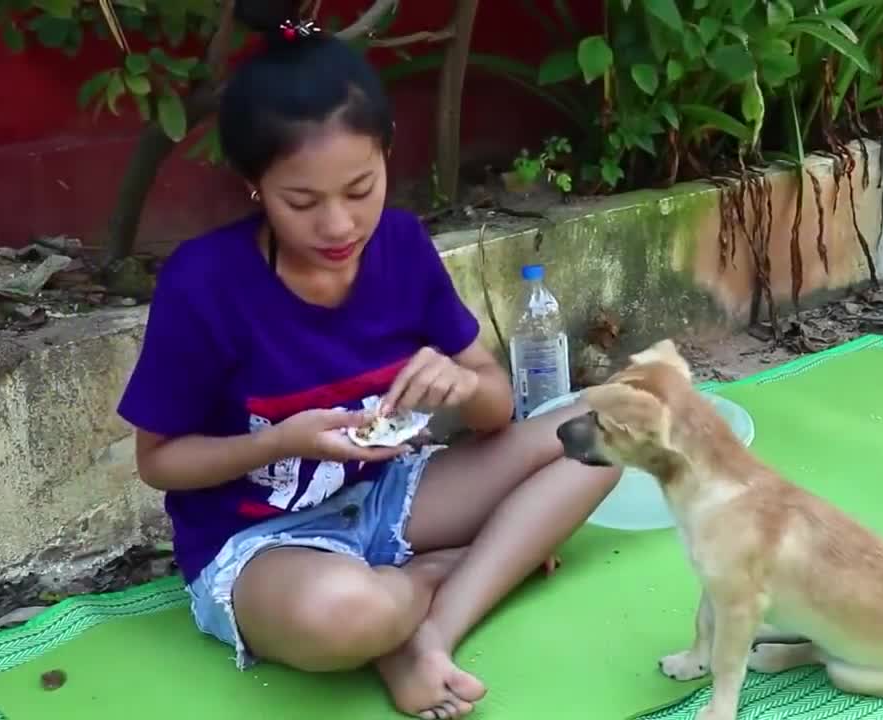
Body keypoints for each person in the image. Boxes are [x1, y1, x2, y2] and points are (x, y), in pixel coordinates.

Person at [114, 4, 620, 719]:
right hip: (260, 542)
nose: (339, 225)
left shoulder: (403, 247)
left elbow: (498, 408)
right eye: (302, 202)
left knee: (608, 435)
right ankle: (436, 581)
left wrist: (462, 386)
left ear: (386, 152)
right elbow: (159, 461)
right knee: (346, 616)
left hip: (388, 496)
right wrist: (280, 441)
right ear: (255, 185)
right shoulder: (205, 284)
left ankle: (430, 632)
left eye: (361, 190)